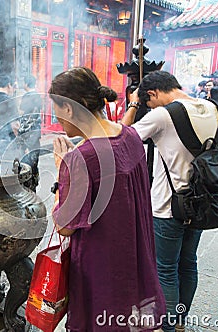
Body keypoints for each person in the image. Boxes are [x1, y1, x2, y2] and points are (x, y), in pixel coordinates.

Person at [49, 67, 165, 331]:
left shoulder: (82, 159)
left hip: (100, 267)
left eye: (56, 108)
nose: (56, 118)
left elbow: (64, 226)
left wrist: (61, 173)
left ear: (68, 108)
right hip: (135, 260)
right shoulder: (131, 136)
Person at [121, 71, 218, 332]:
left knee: (165, 270)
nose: (149, 108)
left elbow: (121, 138)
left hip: (168, 207)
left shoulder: (163, 115)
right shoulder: (213, 108)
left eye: (148, 103)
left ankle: (167, 326)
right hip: (201, 204)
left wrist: (133, 104)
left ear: (152, 94)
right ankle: (179, 322)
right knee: (188, 263)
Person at [19, 75, 43, 191]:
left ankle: (27, 191)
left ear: (26, 84)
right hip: (36, 136)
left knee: (26, 165)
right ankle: (34, 188)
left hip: (28, 136)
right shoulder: (38, 96)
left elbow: (24, 117)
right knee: (34, 164)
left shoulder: (27, 97)